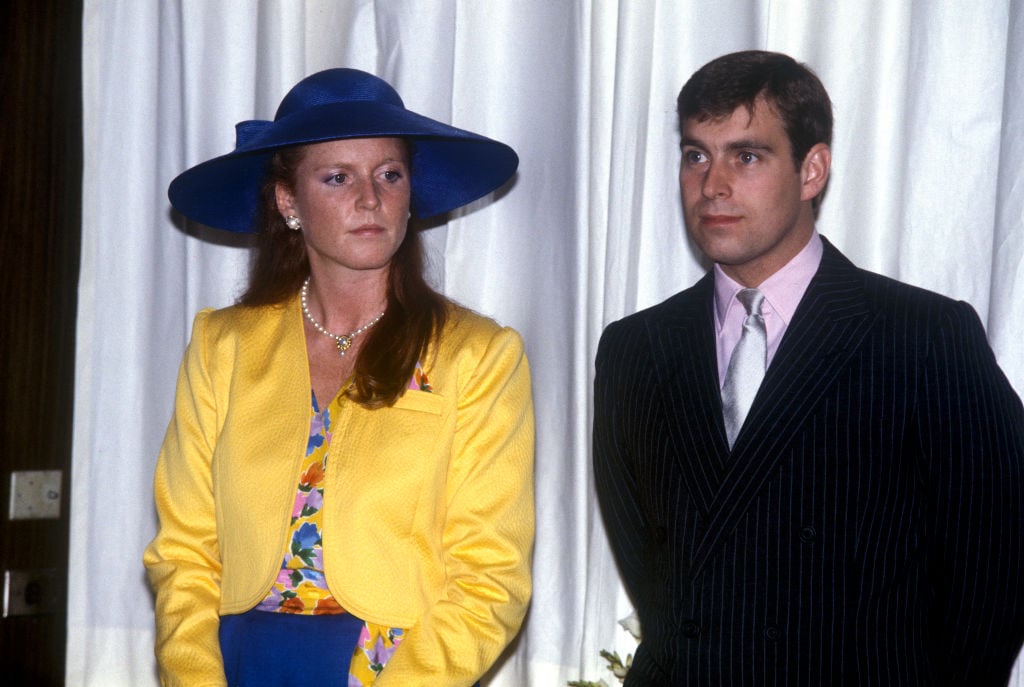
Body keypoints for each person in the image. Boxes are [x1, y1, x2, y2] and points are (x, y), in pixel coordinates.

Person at [593, 50, 1024, 685]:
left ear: (812, 169)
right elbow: (656, 577)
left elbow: (1000, 560)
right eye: (695, 155)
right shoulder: (634, 348)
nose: (713, 185)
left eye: (746, 156)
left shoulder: (922, 337)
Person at [143, 68, 534, 687]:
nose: (370, 199)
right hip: (239, 660)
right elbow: (184, 551)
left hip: (395, 668)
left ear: (410, 193)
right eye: (337, 177)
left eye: (389, 174)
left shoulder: (477, 355)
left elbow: (492, 575)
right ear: (288, 201)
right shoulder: (224, 345)